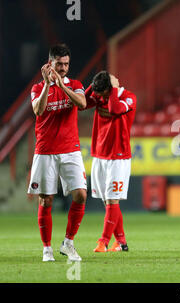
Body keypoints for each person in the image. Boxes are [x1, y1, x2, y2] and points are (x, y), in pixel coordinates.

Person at [28, 43, 87, 262]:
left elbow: (81, 103)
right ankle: (47, 249)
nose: (63, 68)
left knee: (81, 194)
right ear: (50, 63)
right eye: (59, 64)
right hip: (45, 150)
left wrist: (62, 86)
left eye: (66, 64)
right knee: (46, 200)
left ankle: (68, 243)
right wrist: (47, 85)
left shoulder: (76, 84)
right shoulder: (37, 88)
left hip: (70, 149)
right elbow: (38, 110)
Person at [84, 71, 136, 253]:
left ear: (111, 88)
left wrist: (113, 90)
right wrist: (93, 83)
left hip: (118, 157)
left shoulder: (128, 98)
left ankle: (103, 241)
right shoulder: (101, 97)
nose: (100, 97)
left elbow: (115, 109)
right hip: (100, 155)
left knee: (112, 200)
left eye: (103, 93)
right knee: (108, 202)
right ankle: (121, 242)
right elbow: (82, 103)